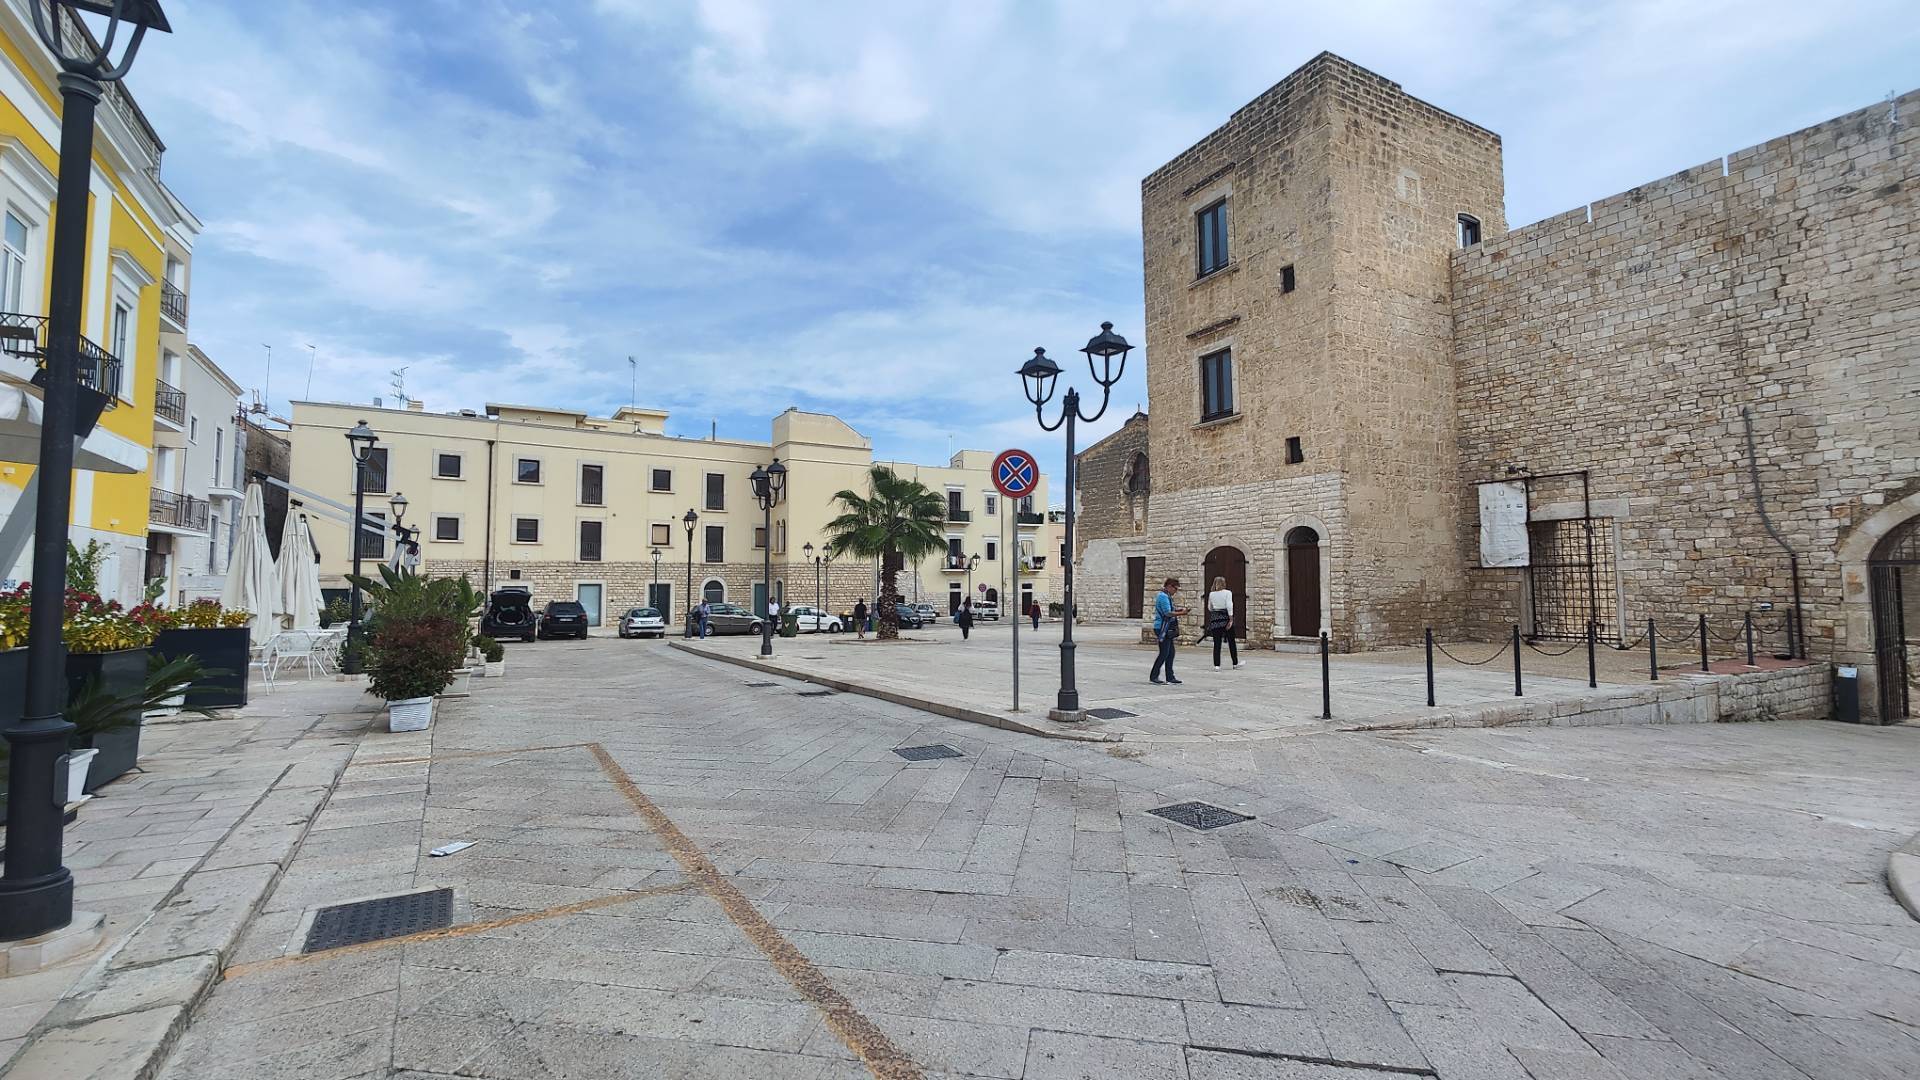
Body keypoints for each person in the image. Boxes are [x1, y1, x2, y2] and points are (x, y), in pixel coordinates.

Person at [1150, 577, 1187, 685]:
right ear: (1169, 586)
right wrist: (1182, 613)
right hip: (1162, 627)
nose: (1176, 591)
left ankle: (1170, 676)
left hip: (1166, 627)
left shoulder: (1167, 596)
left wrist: (1178, 611)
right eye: (1175, 589)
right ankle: (1154, 676)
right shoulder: (1163, 596)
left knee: (1170, 653)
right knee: (1164, 653)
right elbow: (1167, 613)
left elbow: (1170, 610)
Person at [1205, 576, 1240, 669]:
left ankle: (1217, 665)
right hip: (1225, 617)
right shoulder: (1228, 593)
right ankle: (1235, 663)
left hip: (1216, 618)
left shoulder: (1212, 594)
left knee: (1217, 643)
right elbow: (1229, 605)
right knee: (1231, 641)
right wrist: (1231, 618)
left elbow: (1210, 607)